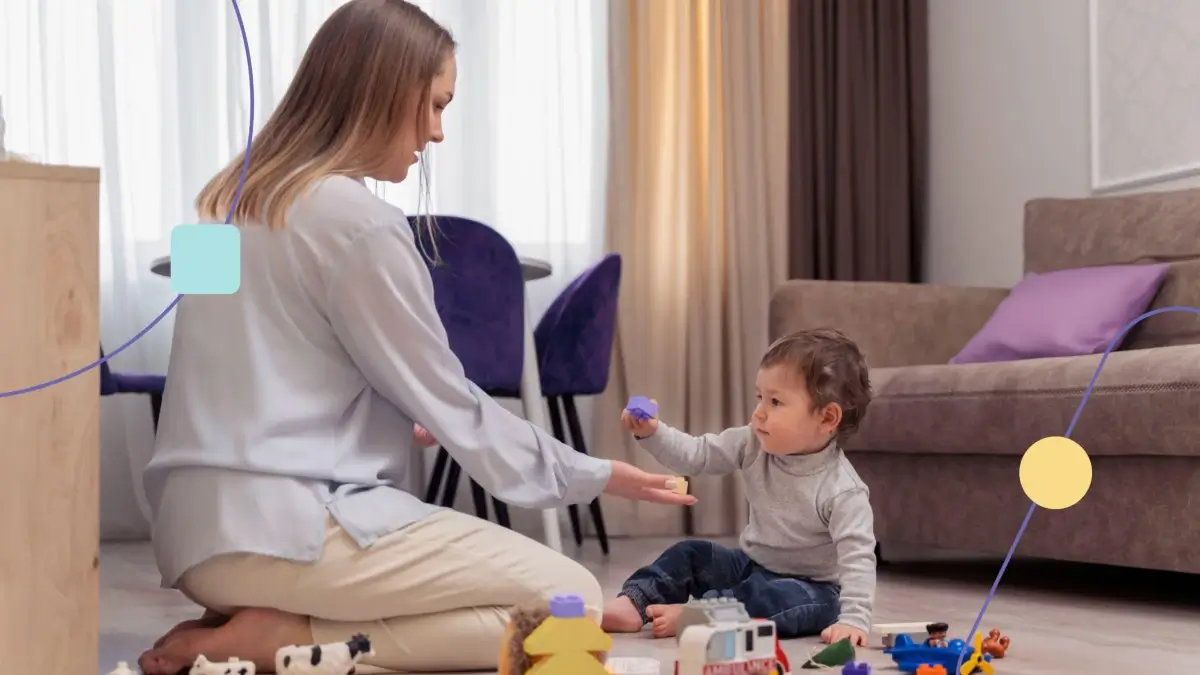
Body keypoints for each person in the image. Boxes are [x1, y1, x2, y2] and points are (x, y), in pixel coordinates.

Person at [135, 2, 696, 673]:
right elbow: (456, 405)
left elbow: (238, 369)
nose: (436, 133)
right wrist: (598, 473)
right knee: (570, 598)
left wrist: (390, 403)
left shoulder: (220, 200)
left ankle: (265, 615)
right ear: (380, 92)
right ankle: (288, 635)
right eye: (433, 105)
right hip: (293, 531)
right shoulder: (363, 224)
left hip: (194, 539)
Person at [601, 328, 878, 645]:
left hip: (812, 589)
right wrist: (653, 433)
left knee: (773, 598)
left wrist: (854, 621)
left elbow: (858, 559)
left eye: (775, 402)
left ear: (827, 418)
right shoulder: (752, 442)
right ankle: (634, 603)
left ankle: (703, 615)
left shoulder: (843, 490)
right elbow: (697, 454)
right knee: (691, 553)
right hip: (752, 565)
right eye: (760, 397)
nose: (759, 412)